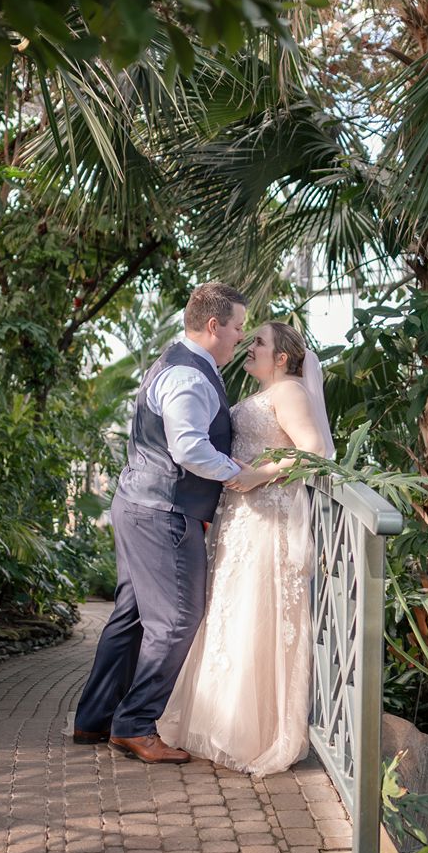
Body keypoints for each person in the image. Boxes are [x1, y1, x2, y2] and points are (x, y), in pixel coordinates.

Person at [69, 282, 248, 763]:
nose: (240, 338)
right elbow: (188, 447)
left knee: (131, 617)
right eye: (237, 328)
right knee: (176, 620)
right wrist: (240, 476)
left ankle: (94, 719)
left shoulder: (176, 361)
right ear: (214, 326)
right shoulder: (189, 377)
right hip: (163, 512)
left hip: (140, 503)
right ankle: (134, 724)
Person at [158, 321, 334, 776]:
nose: (248, 346)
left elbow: (314, 450)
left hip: (266, 518)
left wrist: (258, 475)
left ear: (282, 357)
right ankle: (218, 722)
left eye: (259, 341)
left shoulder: (290, 390)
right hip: (242, 517)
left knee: (254, 613)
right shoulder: (264, 394)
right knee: (231, 614)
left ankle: (250, 731)